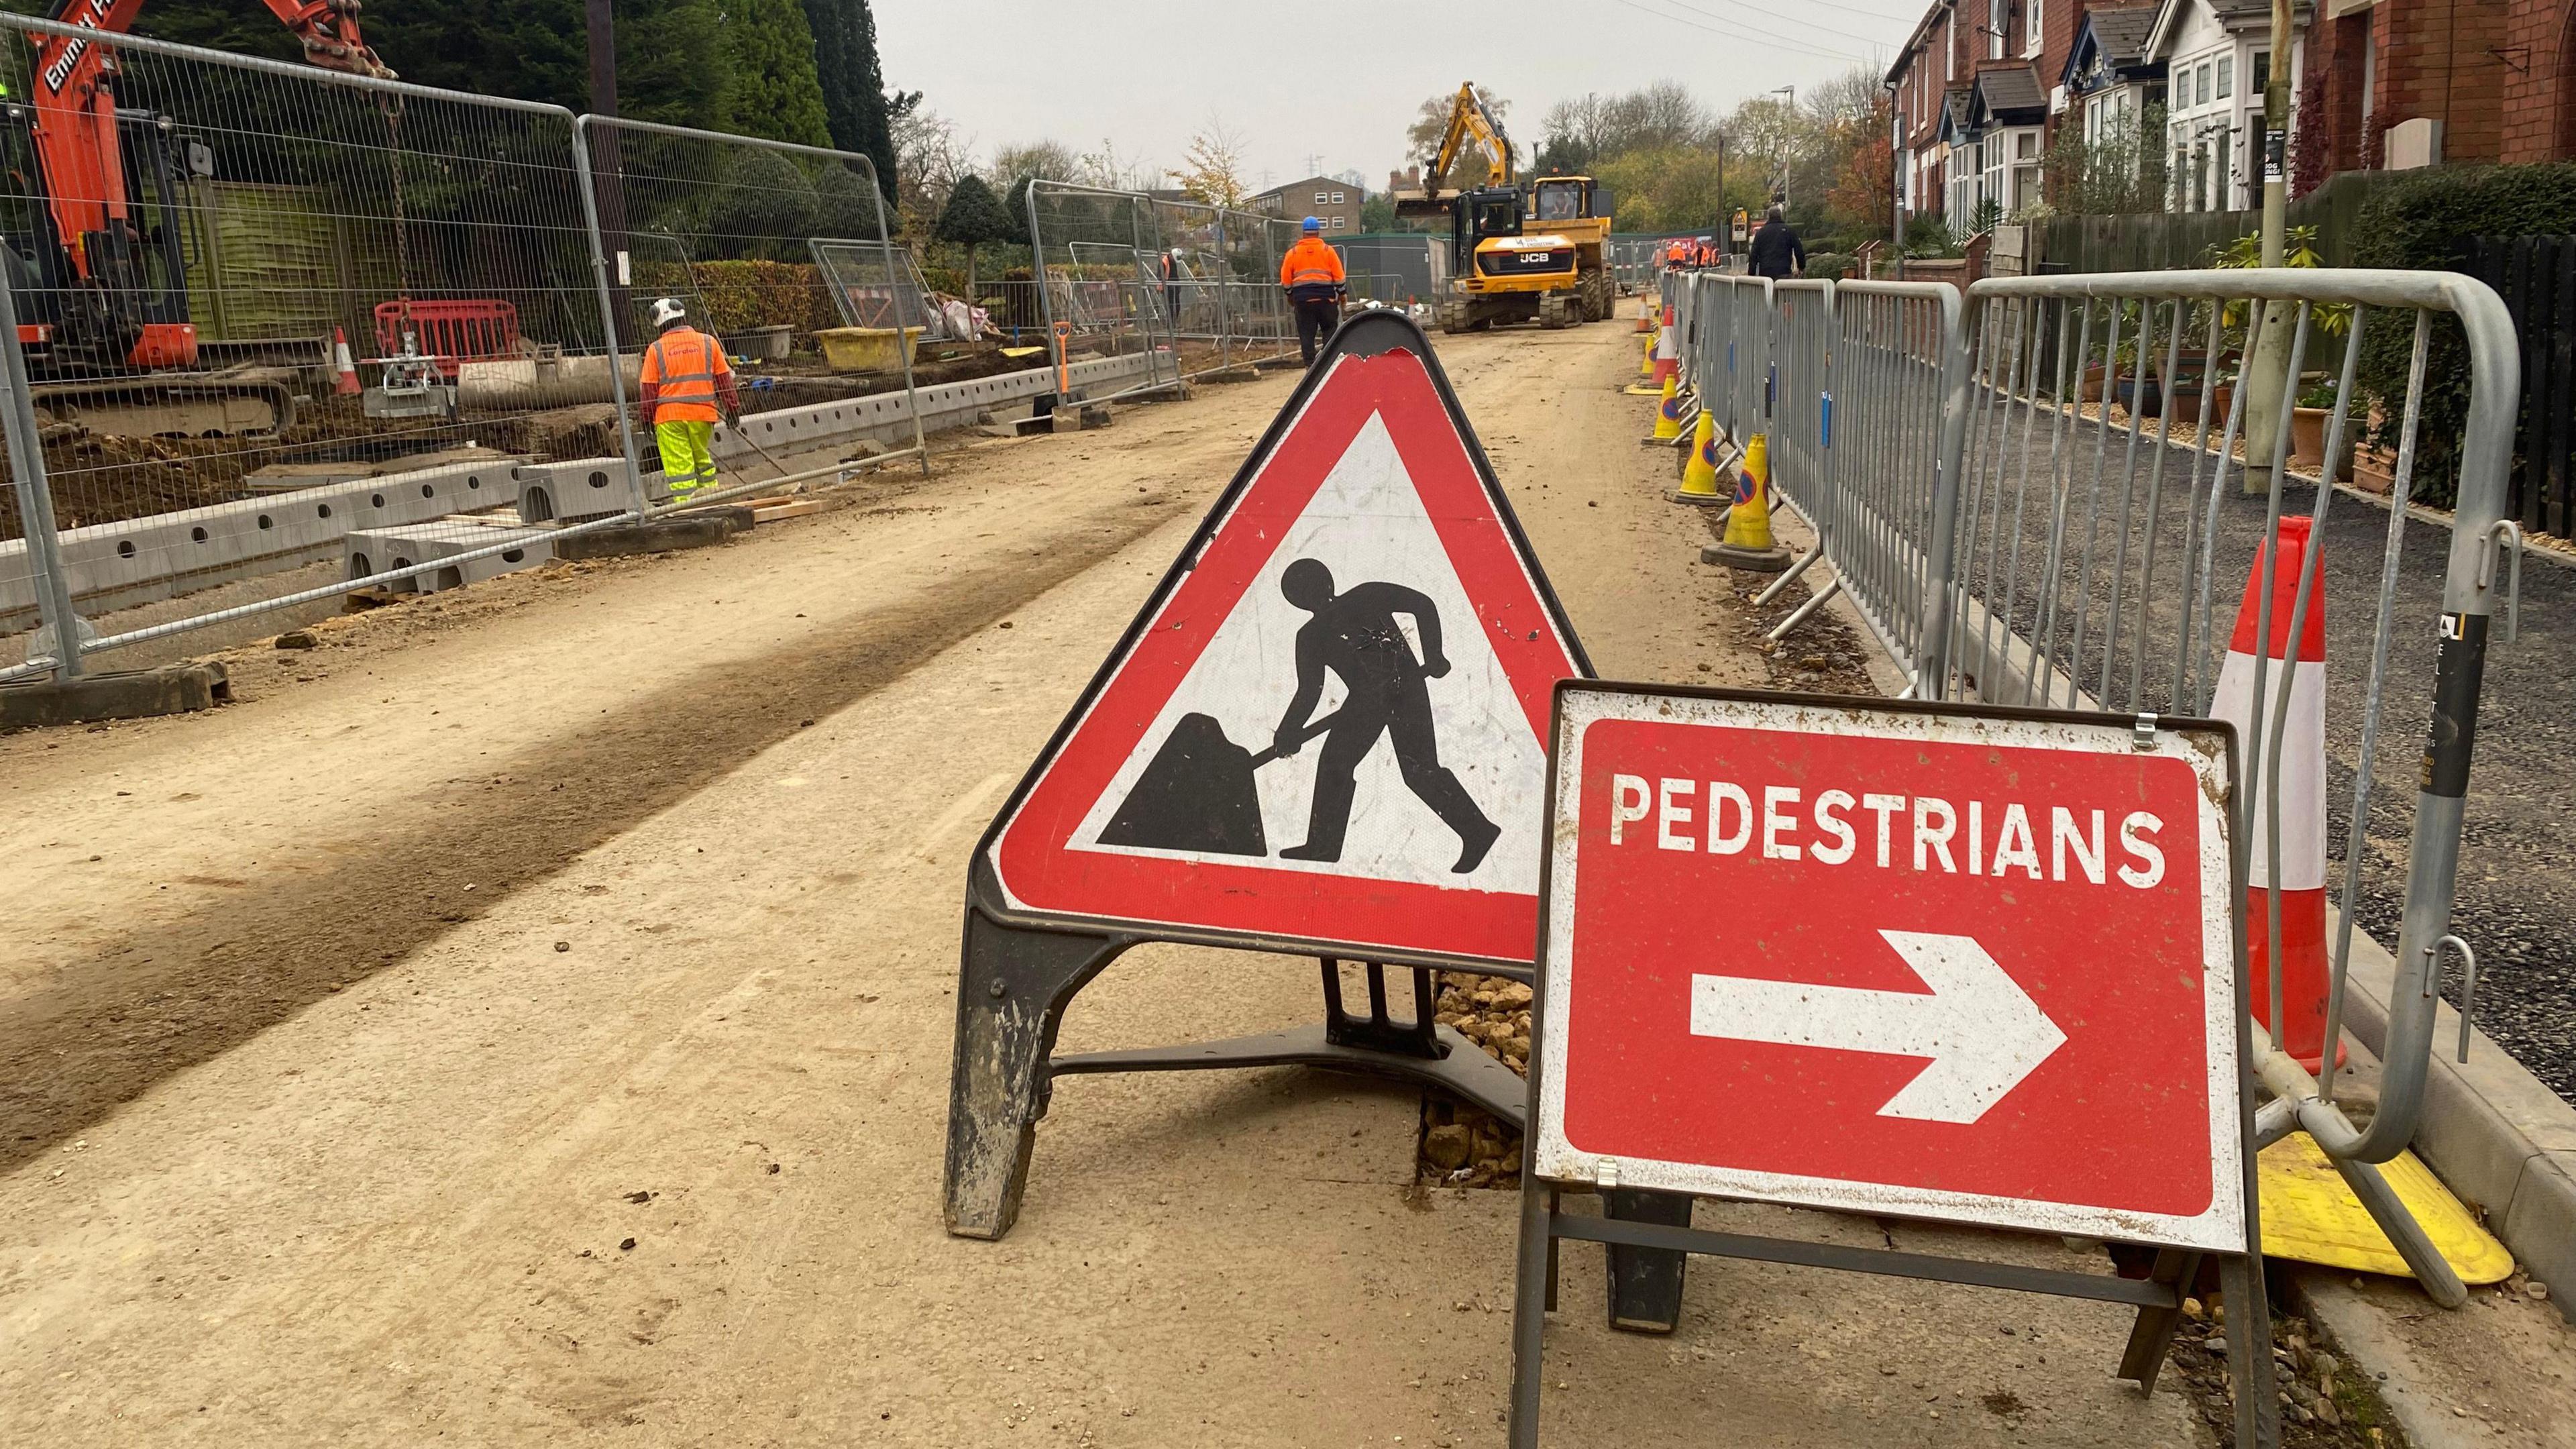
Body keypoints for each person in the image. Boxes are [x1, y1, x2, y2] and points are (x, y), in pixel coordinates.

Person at [1269, 557, 1501, 874]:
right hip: (1365, 702)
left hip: (1404, 687)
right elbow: (1310, 690)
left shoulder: (1366, 595)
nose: (1310, 594)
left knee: (1418, 771)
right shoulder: (1310, 636)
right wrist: (1288, 731)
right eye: (1301, 591)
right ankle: (1322, 846)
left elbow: (1422, 605)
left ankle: (1478, 831)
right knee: (1336, 763)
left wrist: (1434, 654)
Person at [636, 297, 740, 504]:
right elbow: (724, 380)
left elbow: (648, 389)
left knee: (680, 468)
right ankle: (713, 501)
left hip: (669, 419)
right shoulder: (708, 342)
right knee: (702, 460)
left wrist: (646, 418)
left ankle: (687, 507)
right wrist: (733, 409)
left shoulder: (655, 350)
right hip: (703, 415)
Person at [1279, 217, 1346, 366]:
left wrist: (1290, 295)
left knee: (1306, 334)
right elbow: (1340, 277)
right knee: (1329, 330)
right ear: (1318, 232)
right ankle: (1329, 363)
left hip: (1303, 302)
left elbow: (1286, 280)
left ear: (1303, 233)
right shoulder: (1328, 251)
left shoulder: (1293, 253)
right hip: (1326, 301)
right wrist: (1342, 295)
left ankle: (1310, 366)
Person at [1748, 203, 1807, 281]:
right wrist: (1801, 266)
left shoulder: (1761, 233)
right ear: (1780, 216)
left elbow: (1754, 254)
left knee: (1768, 292)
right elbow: (1798, 249)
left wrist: (1752, 272)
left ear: (1769, 216)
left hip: (1766, 273)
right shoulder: (1788, 231)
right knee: (1783, 292)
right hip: (1784, 271)